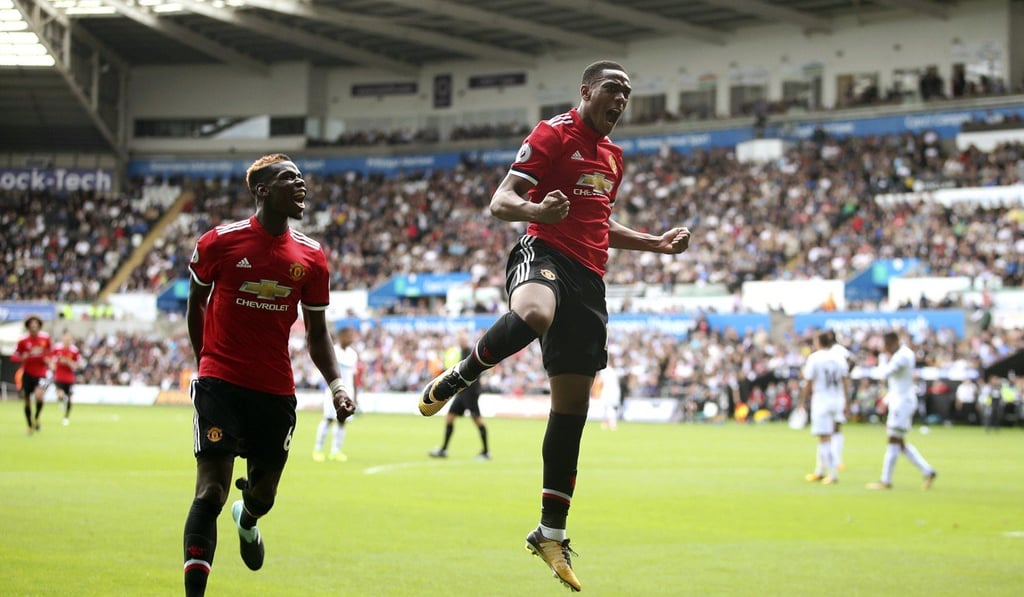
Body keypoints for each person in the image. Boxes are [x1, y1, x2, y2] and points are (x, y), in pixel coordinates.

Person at [417, 60, 691, 592]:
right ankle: (461, 375)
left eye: (628, 94)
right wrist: (539, 211)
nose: (622, 101)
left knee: (572, 411)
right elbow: (502, 201)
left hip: (590, 282)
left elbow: (599, 224)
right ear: (587, 91)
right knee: (535, 313)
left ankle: (550, 532)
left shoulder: (613, 156)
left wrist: (654, 243)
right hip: (543, 253)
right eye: (614, 90)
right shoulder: (553, 133)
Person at [181, 153, 355, 597]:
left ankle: (250, 518)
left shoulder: (312, 257)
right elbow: (195, 303)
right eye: (289, 179)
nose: (301, 186)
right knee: (210, 493)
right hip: (220, 381)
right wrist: (206, 363)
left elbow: (317, 333)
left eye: (301, 179)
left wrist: (338, 387)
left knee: (263, 495)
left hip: (275, 390)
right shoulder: (219, 242)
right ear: (262, 191)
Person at [866, 331, 938, 490]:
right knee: (899, 442)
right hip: (899, 401)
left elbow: (883, 374)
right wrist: (886, 400)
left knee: (893, 440)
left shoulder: (902, 356)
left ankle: (886, 480)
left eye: (884, 346)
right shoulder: (903, 354)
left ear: (891, 343)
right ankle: (928, 471)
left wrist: (882, 358)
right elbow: (897, 384)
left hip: (902, 404)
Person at [428, 330, 490, 460]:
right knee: (450, 417)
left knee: (477, 420)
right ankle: (443, 449)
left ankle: (486, 452)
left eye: (462, 339)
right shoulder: (460, 353)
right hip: (462, 392)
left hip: (470, 392)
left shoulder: (470, 353)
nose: (460, 341)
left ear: (466, 340)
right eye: (459, 339)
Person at [800, 331, 850, 485]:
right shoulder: (838, 357)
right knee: (832, 433)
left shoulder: (815, 358)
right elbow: (845, 380)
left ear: (818, 342)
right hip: (837, 399)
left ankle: (832, 474)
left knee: (824, 437)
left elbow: (809, 382)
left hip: (822, 400)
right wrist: (847, 401)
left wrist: (802, 401)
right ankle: (819, 470)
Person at [313, 326, 359, 462]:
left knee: (342, 421)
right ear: (341, 336)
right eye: (349, 335)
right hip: (333, 392)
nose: (351, 338)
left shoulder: (353, 354)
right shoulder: (333, 351)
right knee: (328, 419)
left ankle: (335, 451)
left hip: (348, 392)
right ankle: (318, 449)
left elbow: (354, 376)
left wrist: (356, 395)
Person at [11, 315, 52, 435]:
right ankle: (29, 426)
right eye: (31, 325)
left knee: (40, 396)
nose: (34, 327)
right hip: (27, 374)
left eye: (36, 324)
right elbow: (14, 356)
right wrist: (22, 357)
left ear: (39, 326)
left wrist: (48, 360)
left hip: (42, 374)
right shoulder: (23, 340)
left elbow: (51, 353)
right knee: (27, 400)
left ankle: (37, 417)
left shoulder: (45, 338)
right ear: (28, 326)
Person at [825, 330, 853, 471]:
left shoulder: (835, 350)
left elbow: (851, 361)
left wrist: (847, 373)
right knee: (830, 429)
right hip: (832, 394)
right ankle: (832, 460)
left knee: (834, 428)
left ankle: (835, 460)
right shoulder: (830, 352)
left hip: (834, 394)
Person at [50, 331, 82, 426]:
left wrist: (69, 363)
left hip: (69, 377)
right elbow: (51, 359)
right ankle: (61, 401)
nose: (67, 340)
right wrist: (53, 365)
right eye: (66, 338)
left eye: (69, 339)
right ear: (63, 339)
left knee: (70, 398)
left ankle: (66, 417)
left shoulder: (74, 350)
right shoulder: (56, 348)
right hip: (59, 376)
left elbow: (79, 365)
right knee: (60, 395)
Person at [593, 359, 621, 430]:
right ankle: (609, 423)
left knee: (608, 408)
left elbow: (601, 381)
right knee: (609, 408)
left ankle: (611, 423)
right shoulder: (613, 371)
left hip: (608, 392)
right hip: (613, 392)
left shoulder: (605, 371)